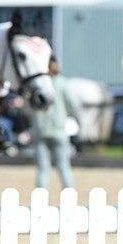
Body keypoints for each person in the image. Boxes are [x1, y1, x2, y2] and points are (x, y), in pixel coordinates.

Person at [26, 57, 80, 190]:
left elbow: (27, 108)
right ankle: (69, 198)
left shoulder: (36, 85)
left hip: (40, 130)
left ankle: (41, 201)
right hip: (59, 130)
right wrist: (63, 113)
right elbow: (74, 103)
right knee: (64, 168)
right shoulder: (61, 83)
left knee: (43, 170)